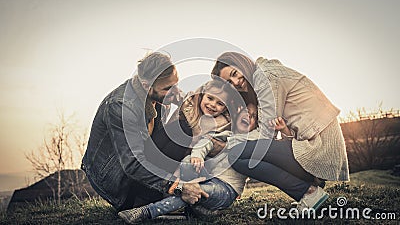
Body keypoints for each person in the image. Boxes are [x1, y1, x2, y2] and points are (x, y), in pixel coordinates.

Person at [211, 52, 350, 211]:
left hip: (318, 150)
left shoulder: (265, 79)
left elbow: (266, 135)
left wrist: (226, 143)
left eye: (235, 74)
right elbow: (280, 131)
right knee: (237, 157)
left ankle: (309, 192)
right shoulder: (264, 75)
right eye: (230, 82)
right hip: (309, 147)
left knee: (236, 153)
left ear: (241, 62)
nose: (236, 82)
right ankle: (308, 190)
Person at [81, 52, 208, 212]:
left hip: (139, 169)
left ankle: (180, 195)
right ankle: (140, 201)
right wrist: (177, 186)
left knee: (185, 126)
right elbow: (133, 163)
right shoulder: (120, 106)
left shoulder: (158, 97)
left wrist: (184, 109)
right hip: (116, 180)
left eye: (176, 84)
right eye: (168, 87)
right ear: (147, 86)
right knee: (183, 128)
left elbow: (158, 143)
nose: (175, 90)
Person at [118, 102, 260, 224]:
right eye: (245, 112)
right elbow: (206, 142)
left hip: (227, 188)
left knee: (198, 192)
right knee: (187, 163)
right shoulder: (227, 135)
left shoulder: (255, 138)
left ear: (257, 124)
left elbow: (264, 134)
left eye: (253, 116)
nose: (248, 116)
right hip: (208, 178)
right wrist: (197, 156)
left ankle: (147, 211)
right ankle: (198, 208)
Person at [144, 78, 238, 174]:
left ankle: (161, 173)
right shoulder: (190, 103)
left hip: (181, 156)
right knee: (182, 126)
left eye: (220, 103)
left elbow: (208, 145)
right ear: (202, 96)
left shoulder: (221, 124)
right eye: (210, 98)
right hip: (161, 144)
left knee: (185, 132)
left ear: (225, 108)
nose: (213, 104)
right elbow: (176, 94)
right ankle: (146, 160)